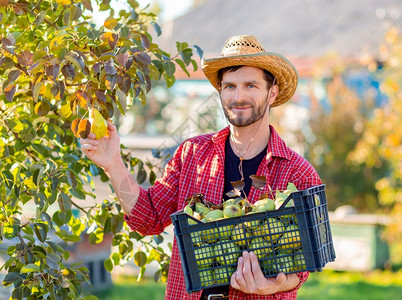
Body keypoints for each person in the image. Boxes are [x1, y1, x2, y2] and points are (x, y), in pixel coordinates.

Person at [80, 35, 321, 300]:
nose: (238, 96)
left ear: (272, 92)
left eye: (251, 85)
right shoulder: (192, 154)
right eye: (229, 86)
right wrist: (113, 163)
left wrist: (274, 285)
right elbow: (147, 218)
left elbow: (302, 266)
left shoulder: (297, 173)